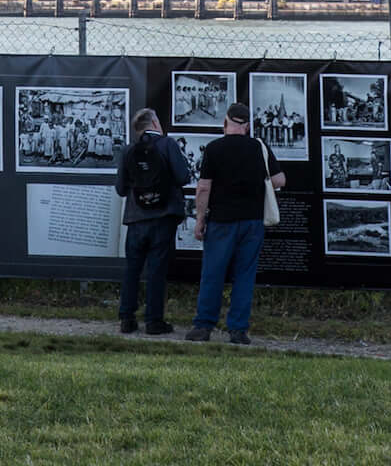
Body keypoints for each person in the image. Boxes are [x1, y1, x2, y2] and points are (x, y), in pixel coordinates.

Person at [186, 101, 283, 345]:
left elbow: (203, 187)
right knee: (245, 276)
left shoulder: (214, 148)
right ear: (248, 126)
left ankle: (203, 326)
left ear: (225, 122)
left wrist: (199, 220)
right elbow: (280, 180)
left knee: (212, 274)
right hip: (252, 221)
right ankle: (238, 330)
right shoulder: (259, 147)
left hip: (221, 221)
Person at [114, 107, 189, 336]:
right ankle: (154, 321)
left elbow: (120, 189)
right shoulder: (168, 145)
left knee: (132, 269)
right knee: (157, 270)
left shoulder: (129, 151)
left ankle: (127, 319)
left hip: (136, 219)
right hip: (163, 217)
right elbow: (183, 177)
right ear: (155, 123)